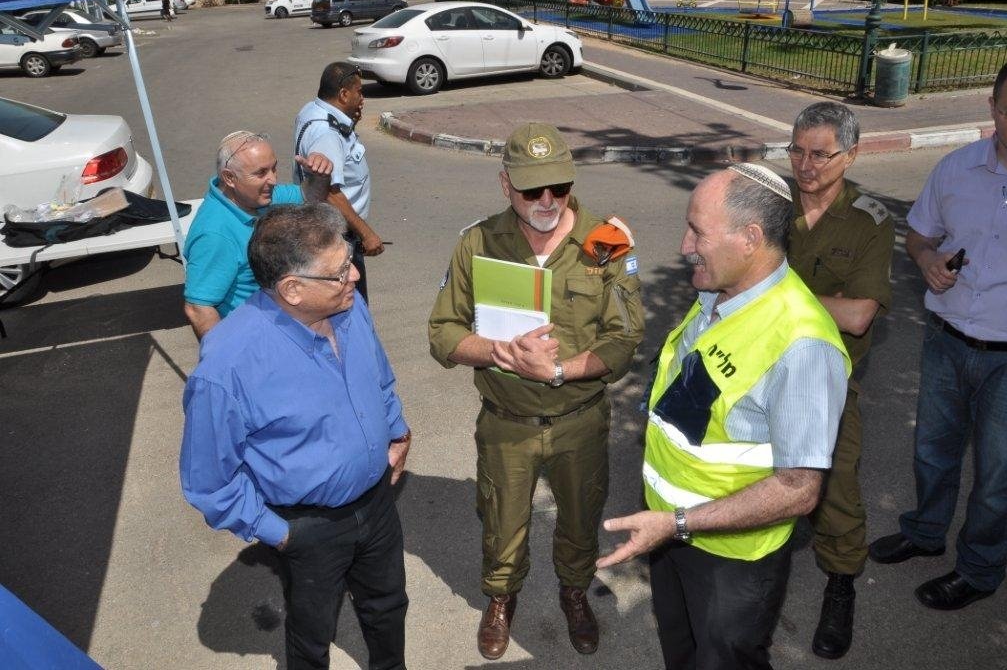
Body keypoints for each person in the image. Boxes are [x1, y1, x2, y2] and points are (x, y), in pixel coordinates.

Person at [597, 164, 850, 670]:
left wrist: (679, 522)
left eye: (698, 231)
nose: (685, 244)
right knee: (682, 650)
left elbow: (799, 488)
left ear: (750, 238)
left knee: (723, 659)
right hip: (671, 532)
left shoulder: (802, 345)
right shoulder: (716, 289)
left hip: (732, 558)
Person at [427, 122, 644, 660]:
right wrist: (498, 353)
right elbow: (442, 333)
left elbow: (625, 338)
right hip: (507, 419)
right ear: (506, 185)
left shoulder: (606, 242)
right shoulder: (477, 243)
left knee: (579, 516)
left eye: (559, 188)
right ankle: (501, 597)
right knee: (501, 518)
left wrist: (560, 372)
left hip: (579, 418)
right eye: (531, 191)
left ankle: (575, 591)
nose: (547, 201)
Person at [180, 203, 411, 670]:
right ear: (292, 289)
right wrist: (281, 534)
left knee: (388, 605)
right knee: (312, 634)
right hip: (308, 526)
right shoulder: (228, 366)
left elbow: (379, 377)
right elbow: (208, 482)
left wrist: (396, 431)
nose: (354, 278)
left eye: (349, 264)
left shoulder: (348, 306)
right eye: (339, 272)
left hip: (378, 500)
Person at [868, 55, 1007, 611]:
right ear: (993, 109)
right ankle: (925, 532)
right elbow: (917, 235)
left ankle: (979, 570)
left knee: (1000, 475)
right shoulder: (956, 169)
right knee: (933, 450)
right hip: (946, 337)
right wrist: (928, 257)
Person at [784, 102, 894, 660]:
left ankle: (841, 583)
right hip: (757, 373)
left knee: (837, 491)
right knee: (753, 477)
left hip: (827, 380)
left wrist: (771, 299)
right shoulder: (768, 203)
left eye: (821, 155)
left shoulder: (870, 221)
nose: (806, 166)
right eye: (797, 151)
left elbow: (857, 316)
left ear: (851, 155)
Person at [183, 130, 333, 339]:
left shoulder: (257, 197)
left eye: (274, 168)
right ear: (229, 177)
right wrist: (225, 360)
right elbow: (199, 309)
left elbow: (309, 197)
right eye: (261, 173)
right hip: (254, 343)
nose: (272, 180)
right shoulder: (215, 234)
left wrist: (319, 175)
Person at [295, 62, 384, 302]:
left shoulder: (314, 110)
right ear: (344, 95)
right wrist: (366, 234)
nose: (362, 98)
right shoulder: (327, 134)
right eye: (359, 92)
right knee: (350, 309)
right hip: (339, 236)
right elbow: (329, 193)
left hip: (327, 231)